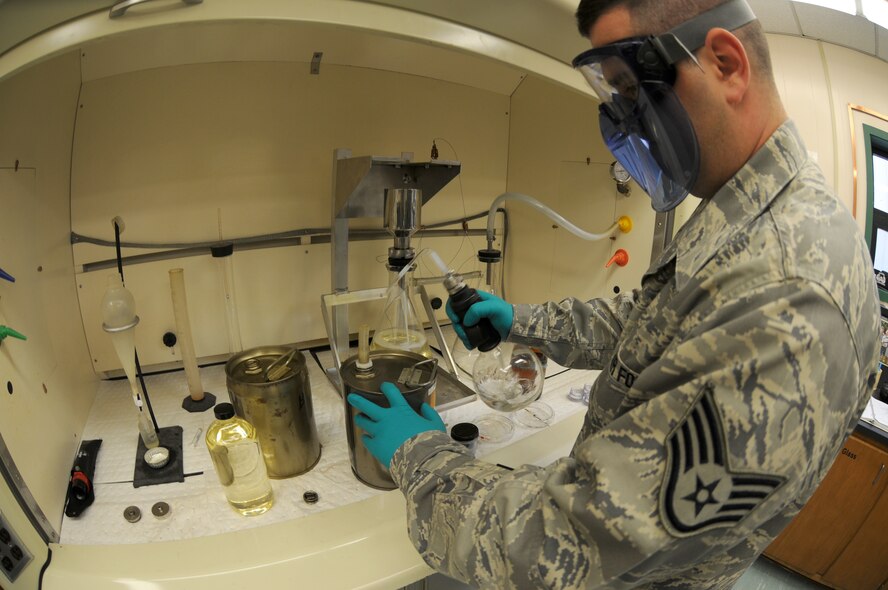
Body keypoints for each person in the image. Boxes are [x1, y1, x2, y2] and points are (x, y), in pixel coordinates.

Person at [347, 0, 881, 587]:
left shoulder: (786, 296)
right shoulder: (758, 216)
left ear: (726, 63)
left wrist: (422, 457)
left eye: (633, 90)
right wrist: (521, 320)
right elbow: (656, 323)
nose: (625, 125)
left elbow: (563, 547)